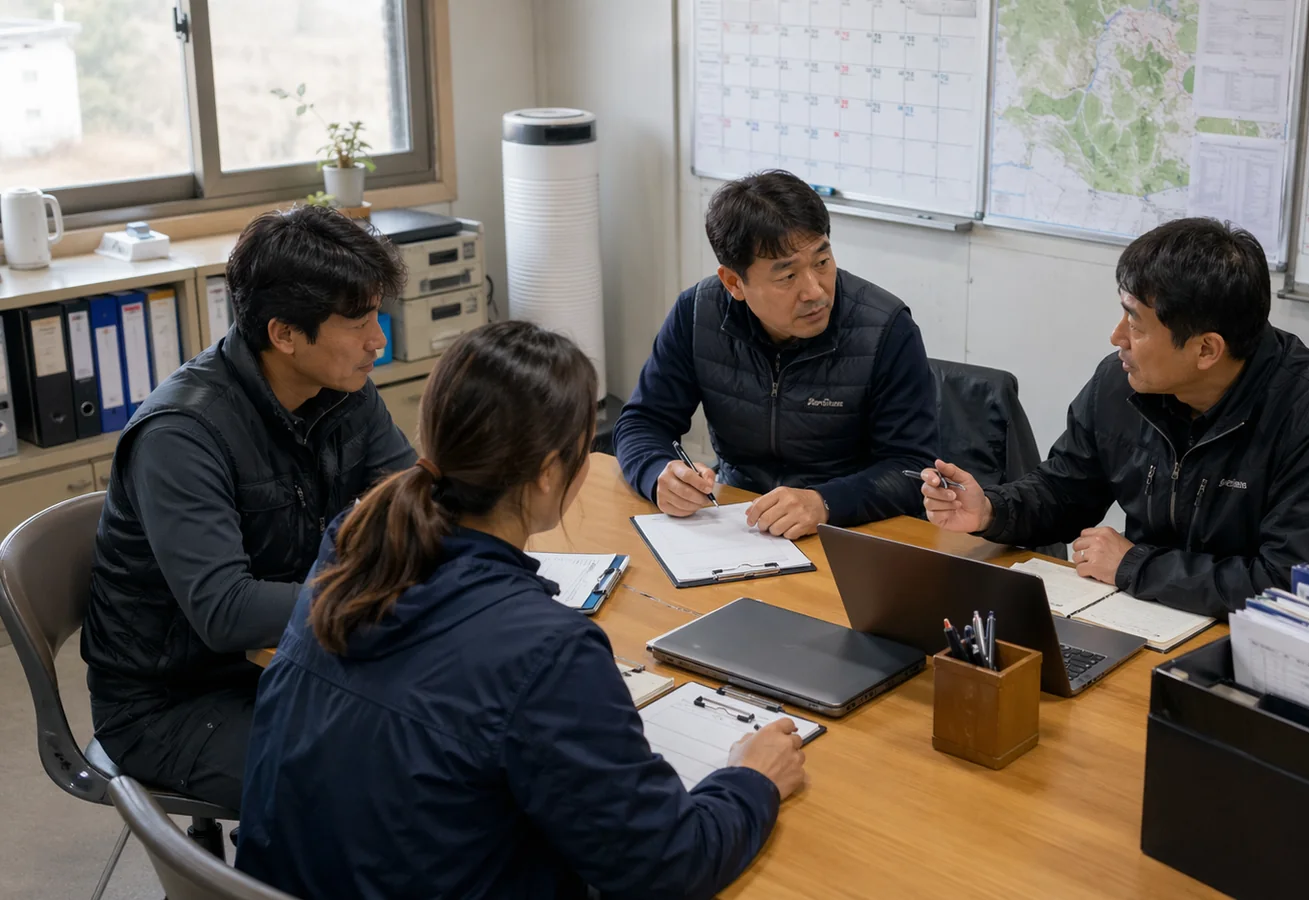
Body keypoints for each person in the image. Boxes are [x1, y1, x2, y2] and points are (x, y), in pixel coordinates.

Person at [236, 322, 807, 900]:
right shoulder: (547, 648)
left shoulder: (352, 543)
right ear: (547, 474)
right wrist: (751, 779)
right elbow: (666, 867)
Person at [79, 206, 414, 810]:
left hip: (293, 652)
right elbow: (227, 611)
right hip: (176, 701)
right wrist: (384, 592)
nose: (378, 340)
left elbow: (415, 502)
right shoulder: (182, 434)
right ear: (284, 334)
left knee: (464, 735)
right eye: (359, 321)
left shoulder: (344, 391)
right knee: (380, 788)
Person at [921, 218, 1309, 618]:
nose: (1117, 336)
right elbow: (1064, 491)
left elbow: (1289, 585)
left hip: (1253, 643)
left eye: (1136, 324)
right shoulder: (1121, 383)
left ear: (1206, 349)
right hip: (1145, 613)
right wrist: (991, 509)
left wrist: (1133, 565)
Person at [613, 169, 939, 538]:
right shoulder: (696, 314)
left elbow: (913, 468)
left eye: (822, 261)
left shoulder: (886, 328)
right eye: (787, 277)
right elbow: (642, 421)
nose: (815, 291)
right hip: (741, 519)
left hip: (851, 531)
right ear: (734, 282)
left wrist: (825, 502)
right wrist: (658, 472)